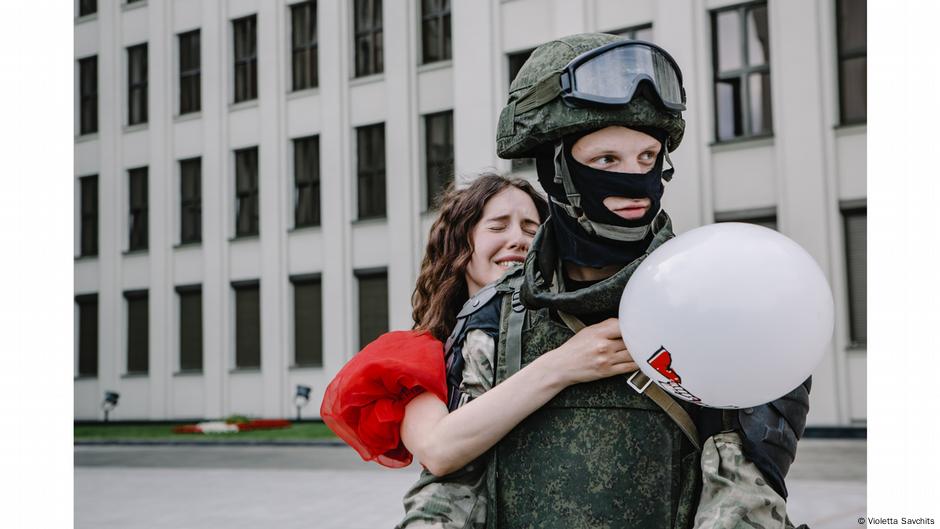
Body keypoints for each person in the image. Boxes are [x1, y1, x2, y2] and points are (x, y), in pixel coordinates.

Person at [438, 33, 810, 528]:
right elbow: (450, 492)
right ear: (556, 170)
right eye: (606, 161)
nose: (635, 180)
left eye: (647, 157)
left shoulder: (727, 298)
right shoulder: (494, 317)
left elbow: (745, 499)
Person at [321, 172, 642, 527]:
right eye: (498, 226)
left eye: (531, 229)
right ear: (461, 245)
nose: (518, 240)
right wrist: (562, 366)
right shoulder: (423, 351)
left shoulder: (578, 331)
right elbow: (438, 450)